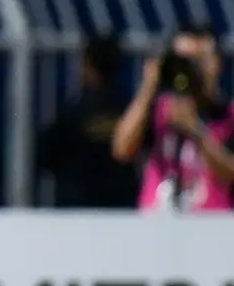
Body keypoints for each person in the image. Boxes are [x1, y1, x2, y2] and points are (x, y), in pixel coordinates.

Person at [112, 22, 234, 211]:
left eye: (198, 61)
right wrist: (148, 87)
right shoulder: (158, 109)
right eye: (183, 61)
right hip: (157, 225)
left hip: (212, 229)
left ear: (216, 64)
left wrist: (196, 131)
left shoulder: (229, 115)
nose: (190, 70)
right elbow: (122, 149)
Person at [36, 34, 138, 208]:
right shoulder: (130, 114)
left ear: (88, 65)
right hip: (120, 208)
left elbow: (45, 156)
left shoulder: (72, 113)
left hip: (76, 206)